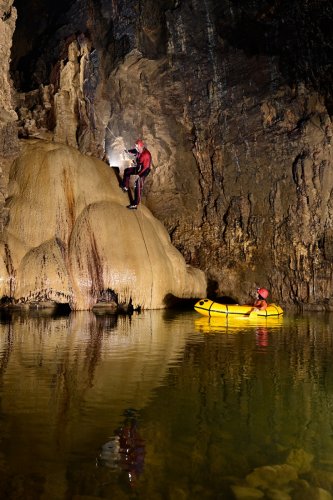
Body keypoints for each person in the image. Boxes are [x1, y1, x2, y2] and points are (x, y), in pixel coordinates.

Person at [121, 139, 152, 210]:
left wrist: (139, 175)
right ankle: (125, 186)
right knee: (127, 171)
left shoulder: (145, 155)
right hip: (139, 167)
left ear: (140, 146)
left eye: (136, 146)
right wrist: (128, 151)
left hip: (144, 171)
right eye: (135, 146)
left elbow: (145, 168)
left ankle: (135, 204)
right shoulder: (139, 150)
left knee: (137, 184)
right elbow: (134, 151)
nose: (135, 147)